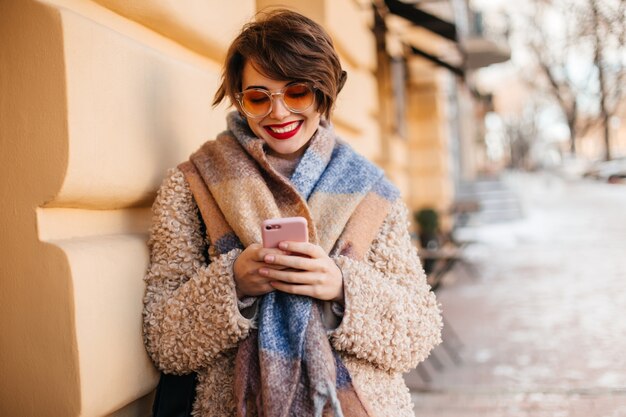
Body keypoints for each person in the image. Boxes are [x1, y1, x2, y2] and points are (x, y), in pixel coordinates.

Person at [143, 9, 442, 417]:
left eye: (296, 91)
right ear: (239, 99)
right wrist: (233, 284)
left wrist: (342, 288)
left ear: (324, 93)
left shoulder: (370, 191)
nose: (278, 113)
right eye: (258, 97)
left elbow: (419, 332)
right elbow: (164, 341)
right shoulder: (194, 184)